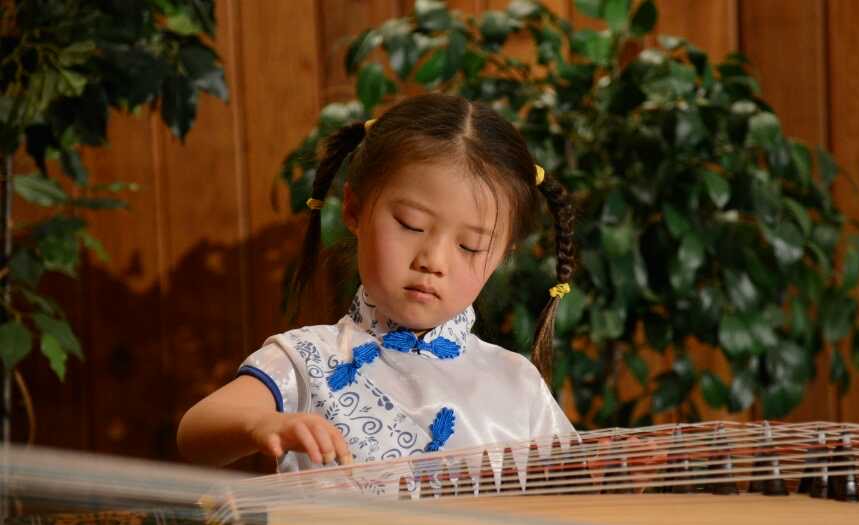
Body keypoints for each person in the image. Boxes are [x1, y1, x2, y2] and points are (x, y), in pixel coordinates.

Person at [177, 94, 578, 472]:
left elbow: (574, 486)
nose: (432, 261)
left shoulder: (515, 381)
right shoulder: (308, 358)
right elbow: (196, 432)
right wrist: (262, 426)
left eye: (470, 246)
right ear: (354, 210)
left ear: (503, 255)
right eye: (410, 225)